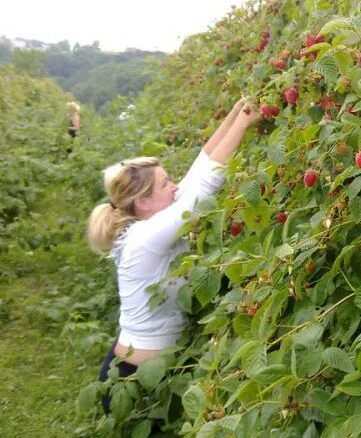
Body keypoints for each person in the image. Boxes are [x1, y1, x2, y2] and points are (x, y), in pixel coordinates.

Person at [87, 98, 260, 413]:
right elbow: (201, 190)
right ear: (143, 203)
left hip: (149, 377)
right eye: (166, 183)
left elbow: (200, 167)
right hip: (132, 385)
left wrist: (235, 115)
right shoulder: (144, 239)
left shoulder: (148, 223)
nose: (175, 186)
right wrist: (244, 124)